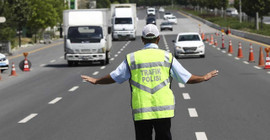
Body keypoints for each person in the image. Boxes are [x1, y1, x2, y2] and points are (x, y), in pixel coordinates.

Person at [81, 24, 218, 140]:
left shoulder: (133, 58)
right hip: (164, 110)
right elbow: (186, 78)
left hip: (141, 110)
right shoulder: (167, 57)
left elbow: (115, 76)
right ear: (158, 39)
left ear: (142, 39)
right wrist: (204, 77)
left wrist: (96, 80)